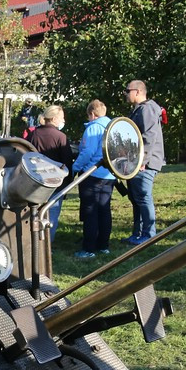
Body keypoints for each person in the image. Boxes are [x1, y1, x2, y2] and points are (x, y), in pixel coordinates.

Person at [123, 80, 165, 246]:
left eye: (128, 91)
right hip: (138, 162)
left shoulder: (147, 109)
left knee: (143, 197)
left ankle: (149, 235)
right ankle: (138, 234)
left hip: (144, 163)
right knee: (136, 198)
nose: (125, 94)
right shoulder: (141, 109)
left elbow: (149, 136)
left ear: (138, 92)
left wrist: (142, 160)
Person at [71, 100, 114, 258]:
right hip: (109, 174)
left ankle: (88, 248)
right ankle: (103, 245)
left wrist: (76, 168)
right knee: (104, 210)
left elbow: (87, 152)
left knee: (90, 212)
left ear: (92, 114)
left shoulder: (93, 128)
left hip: (92, 174)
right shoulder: (112, 126)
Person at [28, 105, 72, 242]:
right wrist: (68, 182)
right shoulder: (61, 137)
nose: (63, 121)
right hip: (55, 181)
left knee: (35, 213)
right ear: (54, 118)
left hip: (36, 180)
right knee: (52, 214)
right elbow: (67, 162)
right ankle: (47, 244)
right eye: (62, 118)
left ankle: (34, 241)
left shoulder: (34, 134)